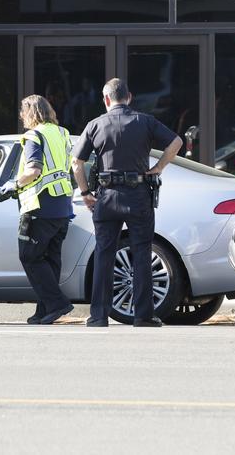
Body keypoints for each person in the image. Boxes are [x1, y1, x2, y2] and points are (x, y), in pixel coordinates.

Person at [71, 78, 182, 327]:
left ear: (106, 99)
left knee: (104, 255)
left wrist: (85, 192)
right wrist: (159, 167)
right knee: (141, 253)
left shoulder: (95, 125)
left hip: (107, 196)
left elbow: (77, 163)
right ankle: (142, 316)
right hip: (138, 195)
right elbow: (176, 142)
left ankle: (98, 316)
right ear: (129, 97)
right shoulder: (145, 121)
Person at [0, 95, 75, 325]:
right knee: (50, 259)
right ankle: (44, 310)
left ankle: (57, 304)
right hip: (62, 207)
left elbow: (33, 169)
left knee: (29, 256)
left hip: (39, 206)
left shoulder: (34, 136)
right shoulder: (62, 133)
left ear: (30, 113)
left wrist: (13, 185)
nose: (21, 117)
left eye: (23, 112)